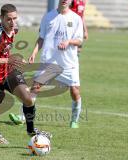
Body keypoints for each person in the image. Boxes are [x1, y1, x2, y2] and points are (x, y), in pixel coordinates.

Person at [0, 4, 52, 144]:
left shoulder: (13, 29)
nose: (13, 23)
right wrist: (8, 59)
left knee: (29, 99)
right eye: (9, 19)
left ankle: (31, 130)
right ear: (1, 18)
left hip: (8, 71)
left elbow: (9, 34)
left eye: (15, 19)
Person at [9, 0, 84, 129]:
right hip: (49, 61)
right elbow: (41, 37)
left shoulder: (76, 18)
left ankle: (74, 119)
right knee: (35, 87)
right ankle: (22, 117)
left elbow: (79, 41)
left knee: (74, 91)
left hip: (68, 63)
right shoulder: (48, 16)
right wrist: (34, 52)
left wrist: (68, 42)